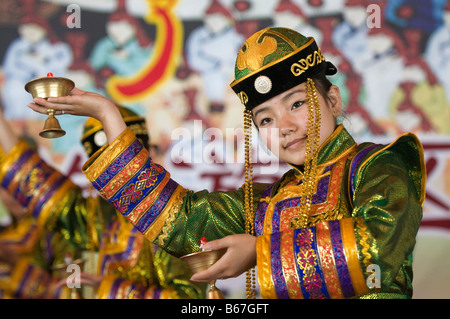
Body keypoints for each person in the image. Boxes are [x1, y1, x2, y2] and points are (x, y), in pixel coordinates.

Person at [27, 27, 426, 299]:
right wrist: (108, 114)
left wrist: (261, 254)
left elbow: (376, 247)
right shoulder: (265, 203)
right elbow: (181, 219)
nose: (284, 127)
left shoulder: (378, 166)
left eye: (298, 104)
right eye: (266, 119)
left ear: (333, 100)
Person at [0, 107, 204, 299]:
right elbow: (37, 182)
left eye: (121, 163)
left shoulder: (174, 215)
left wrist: (114, 290)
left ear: (146, 156)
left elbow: (192, 298)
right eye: (102, 168)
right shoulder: (95, 213)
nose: (112, 178)